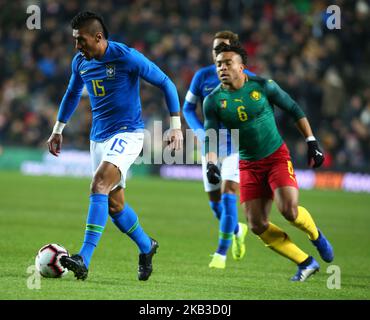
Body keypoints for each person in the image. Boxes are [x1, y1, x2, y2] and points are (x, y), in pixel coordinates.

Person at [46, 11, 183, 281]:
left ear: (98, 37)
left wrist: (176, 127)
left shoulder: (126, 57)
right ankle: (147, 246)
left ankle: (83, 257)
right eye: (75, 41)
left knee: (98, 183)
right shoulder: (80, 62)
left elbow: (165, 82)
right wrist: (58, 129)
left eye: (81, 40)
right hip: (98, 138)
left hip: (128, 133)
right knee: (115, 205)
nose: (77, 47)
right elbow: (72, 93)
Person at [203, 42, 334, 281]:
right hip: (248, 164)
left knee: (289, 211)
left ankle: (316, 236)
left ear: (242, 67)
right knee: (256, 225)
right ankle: (306, 262)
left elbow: (294, 109)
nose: (222, 67)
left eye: (227, 63)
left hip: (275, 157)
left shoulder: (263, 87)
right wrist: (212, 164)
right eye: (218, 64)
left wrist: (312, 142)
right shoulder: (212, 101)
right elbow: (211, 137)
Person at [183, 31, 254, 269]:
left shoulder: (249, 78)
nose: (217, 53)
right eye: (215, 49)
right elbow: (187, 109)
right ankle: (236, 229)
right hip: (211, 146)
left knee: (228, 193)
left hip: (238, 145)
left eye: (222, 48)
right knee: (215, 203)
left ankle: (220, 254)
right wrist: (201, 133)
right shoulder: (202, 76)